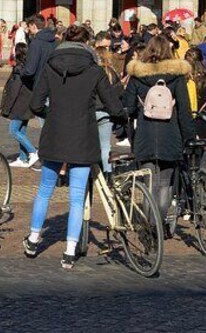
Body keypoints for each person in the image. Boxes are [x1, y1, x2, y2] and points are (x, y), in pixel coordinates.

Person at [24, 25, 126, 268]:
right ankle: (70, 251)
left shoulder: (50, 66)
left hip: (55, 134)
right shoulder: (94, 70)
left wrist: (52, 114)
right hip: (83, 135)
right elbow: (111, 104)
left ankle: (33, 238)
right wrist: (122, 117)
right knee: (77, 196)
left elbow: (36, 103)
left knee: (45, 190)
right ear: (87, 44)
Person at [123, 34, 195, 238]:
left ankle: (147, 226)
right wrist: (189, 137)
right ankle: (158, 225)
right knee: (165, 185)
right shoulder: (177, 77)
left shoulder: (138, 76)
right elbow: (184, 111)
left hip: (145, 135)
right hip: (170, 136)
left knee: (149, 185)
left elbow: (127, 107)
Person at [1, 42, 38, 169]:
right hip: (27, 103)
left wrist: (7, 107)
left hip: (19, 104)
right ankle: (23, 158)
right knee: (22, 130)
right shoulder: (29, 68)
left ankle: (32, 151)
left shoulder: (18, 70)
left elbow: (13, 91)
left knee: (13, 130)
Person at [94, 34, 125, 173]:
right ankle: (107, 172)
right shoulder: (111, 72)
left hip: (91, 110)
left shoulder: (91, 72)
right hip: (105, 112)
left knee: (89, 143)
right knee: (105, 145)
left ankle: (92, 171)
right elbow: (118, 92)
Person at [22, 14, 57, 89]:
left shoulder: (35, 43)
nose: (28, 29)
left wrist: (20, 71)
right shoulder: (55, 41)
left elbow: (30, 70)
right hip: (53, 84)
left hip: (39, 85)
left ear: (33, 25)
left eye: (29, 26)